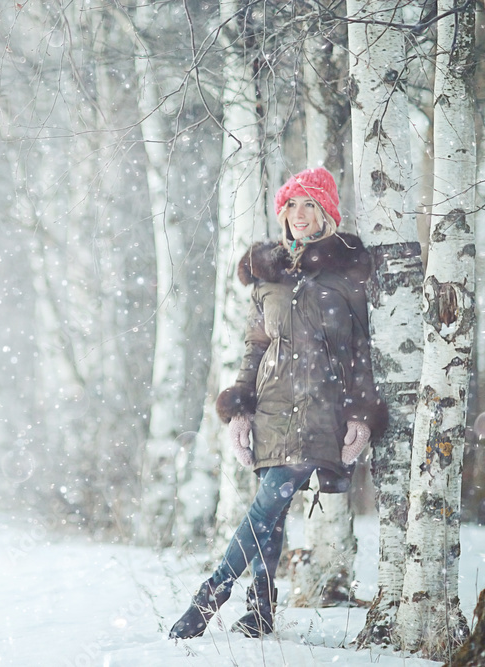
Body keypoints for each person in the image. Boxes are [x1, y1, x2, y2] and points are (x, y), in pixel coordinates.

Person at [169, 166, 388, 640]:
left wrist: (361, 416)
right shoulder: (269, 277)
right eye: (291, 204)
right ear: (282, 212)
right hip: (271, 408)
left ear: (327, 212)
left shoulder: (347, 274)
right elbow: (256, 346)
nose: (299, 214)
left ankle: (210, 597)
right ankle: (260, 609)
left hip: (321, 410)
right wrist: (240, 409)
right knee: (270, 511)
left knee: (267, 505)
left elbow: (361, 351)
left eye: (311, 204)